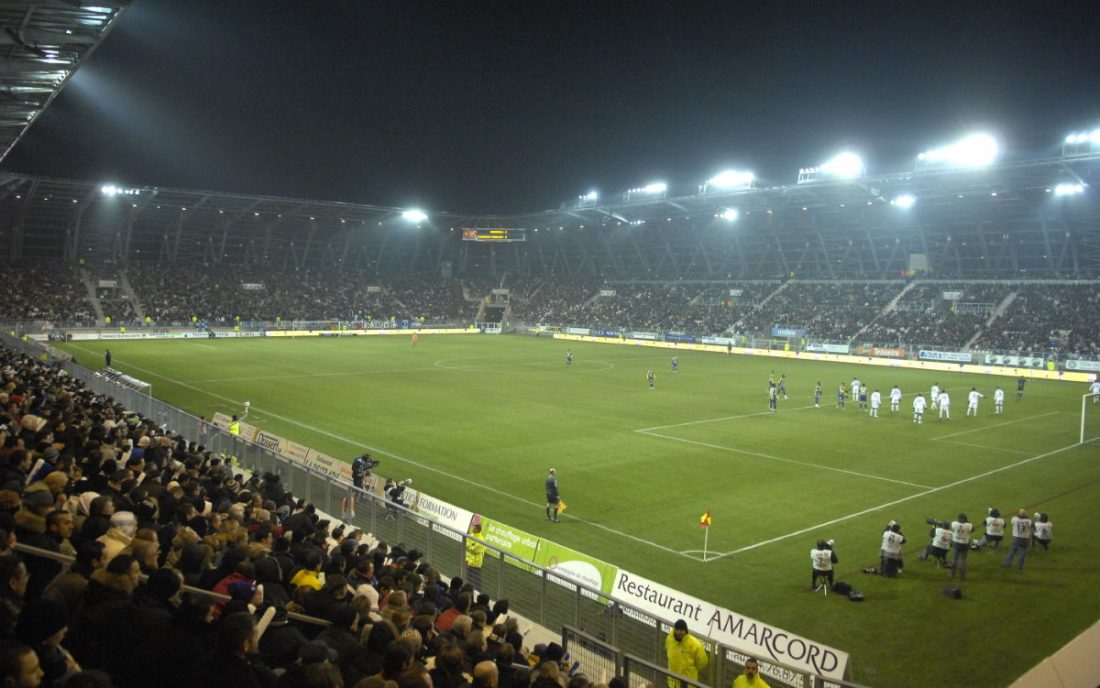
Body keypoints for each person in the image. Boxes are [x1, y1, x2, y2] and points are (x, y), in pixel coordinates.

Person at [664, 619, 707, 688]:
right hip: (672, 682)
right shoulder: (670, 638)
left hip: (688, 684)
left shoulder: (695, 644)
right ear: (674, 629)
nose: (679, 632)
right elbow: (667, 649)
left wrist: (690, 670)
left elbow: (702, 662)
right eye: (677, 630)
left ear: (686, 631)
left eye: (682, 630)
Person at [949, 513, 973, 580]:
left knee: (954, 559)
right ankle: (963, 576)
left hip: (956, 543)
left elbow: (952, 528)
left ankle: (952, 574)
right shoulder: (968, 525)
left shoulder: (954, 523)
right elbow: (973, 529)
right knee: (963, 560)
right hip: (964, 544)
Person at [465, 523, 486, 592]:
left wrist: (471, 547)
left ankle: (477, 591)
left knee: (477, 579)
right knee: (469, 577)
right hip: (469, 561)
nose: (472, 528)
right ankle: (469, 590)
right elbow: (467, 546)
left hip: (477, 562)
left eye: (474, 527)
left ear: (478, 529)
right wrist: (472, 546)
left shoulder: (481, 539)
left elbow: (476, 550)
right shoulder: (470, 536)